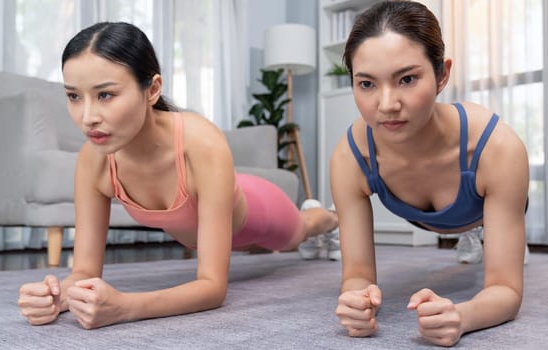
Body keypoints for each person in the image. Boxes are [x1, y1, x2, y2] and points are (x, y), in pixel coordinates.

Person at [17, 21, 338, 330]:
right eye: (74, 96)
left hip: (261, 211)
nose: (87, 117)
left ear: (152, 89)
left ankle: (329, 219)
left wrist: (125, 307)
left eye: (105, 95)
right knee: (261, 255)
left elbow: (213, 287)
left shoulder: (201, 143)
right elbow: (85, 271)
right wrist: (60, 296)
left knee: (299, 233)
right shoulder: (95, 160)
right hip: (212, 235)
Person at [330, 1, 529, 347]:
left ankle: (491, 233)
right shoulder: (351, 157)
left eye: (407, 79)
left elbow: (505, 290)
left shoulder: (496, 148)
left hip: (481, 206)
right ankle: (475, 237)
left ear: (442, 75)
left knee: (506, 255)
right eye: (366, 84)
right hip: (425, 218)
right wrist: (354, 300)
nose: (387, 104)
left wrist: (463, 316)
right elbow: (357, 274)